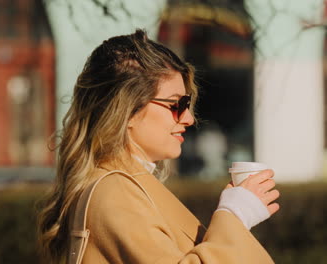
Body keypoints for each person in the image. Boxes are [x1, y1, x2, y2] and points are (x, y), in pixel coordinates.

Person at [38, 29, 280, 264]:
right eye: (176, 104)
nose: (188, 118)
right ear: (127, 111)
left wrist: (235, 219)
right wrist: (235, 215)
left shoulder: (128, 185)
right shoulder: (116, 191)